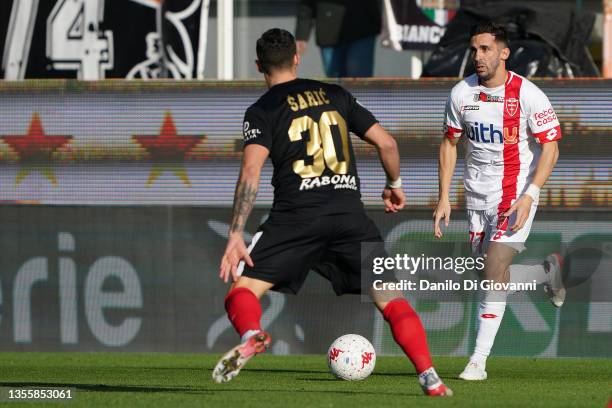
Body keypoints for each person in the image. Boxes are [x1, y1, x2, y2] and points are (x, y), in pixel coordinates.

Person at [213, 28, 452, 397]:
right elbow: (387, 142)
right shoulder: (334, 94)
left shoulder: (262, 110)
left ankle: (250, 334)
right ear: (296, 58)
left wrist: (234, 233)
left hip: (295, 218)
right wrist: (395, 183)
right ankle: (430, 376)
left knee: (240, 292)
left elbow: (250, 173)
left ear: (258, 65)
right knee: (392, 300)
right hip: (348, 216)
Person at [433, 21, 565, 381]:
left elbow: (550, 147)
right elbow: (449, 143)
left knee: (492, 272)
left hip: (515, 196)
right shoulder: (461, 93)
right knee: (488, 273)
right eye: (474, 49)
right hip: (476, 196)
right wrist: (444, 196)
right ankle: (543, 274)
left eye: (486, 49)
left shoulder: (528, 94)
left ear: (504, 53)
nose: (478, 56)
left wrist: (531, 195)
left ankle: (477, 361)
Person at [295, 0, 381, 77]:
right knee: (336, 83)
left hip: (362, 27)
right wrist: (301, 35)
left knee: (359, 82)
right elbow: (306, 6)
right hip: (329, 30)